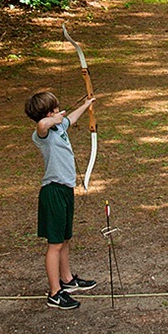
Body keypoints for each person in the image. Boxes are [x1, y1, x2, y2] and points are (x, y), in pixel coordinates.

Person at [26, 90, 98, 310]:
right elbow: (41, 126)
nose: (59, 111)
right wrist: (53, 119)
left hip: (66, 190)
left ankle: (67, 281)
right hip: (53, 191)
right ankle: (55, 293)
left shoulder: (59, 128)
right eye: (54, 109)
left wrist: (87, 104)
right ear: (48, 113)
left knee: (65, 239)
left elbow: (71, 119)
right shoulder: (43, 135)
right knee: (55, 244)